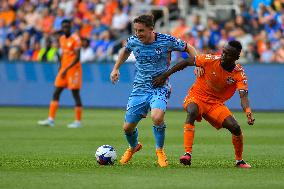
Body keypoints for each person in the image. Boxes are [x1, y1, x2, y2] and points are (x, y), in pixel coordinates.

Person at [110, 14, 197, 167]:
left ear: (151, 29)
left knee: (157, 117)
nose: (138, 34)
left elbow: (188, 47)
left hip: (159, 87)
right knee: (127, 127)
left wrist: (198, 64)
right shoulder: (133, 41)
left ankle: (160, 151)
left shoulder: (166, 41)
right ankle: (133, 146)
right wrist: (116, 68)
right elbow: (125, 50)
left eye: (141, 30)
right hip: (139, 88)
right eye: (135, 30)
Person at [152, 40, 255, 168]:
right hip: (196, 97)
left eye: (228, 54)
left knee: (235, 128)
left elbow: (243, 96)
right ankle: (187, 154)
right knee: (192, 111)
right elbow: (186, 62)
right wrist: (165, 75)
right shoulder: (210, 59)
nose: (223, 55)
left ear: (236, 57)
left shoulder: (239, 73)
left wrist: (248, 112)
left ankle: (239, 161)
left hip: (215, 104)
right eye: (223, 51)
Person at [38, 19, 83, 128]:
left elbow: (77, 57)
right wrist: (61, 67)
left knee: (75, 94)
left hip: (73, 70)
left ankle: (78, 122)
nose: (65, 29)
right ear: (62, 28)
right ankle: (51, 119)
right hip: (64, 69)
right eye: (64, 27)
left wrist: (66, 69)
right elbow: (63, 55)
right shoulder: (62, 39)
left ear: (70, 27)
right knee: (56, 92)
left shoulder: (75, 39)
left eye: (67, 27)